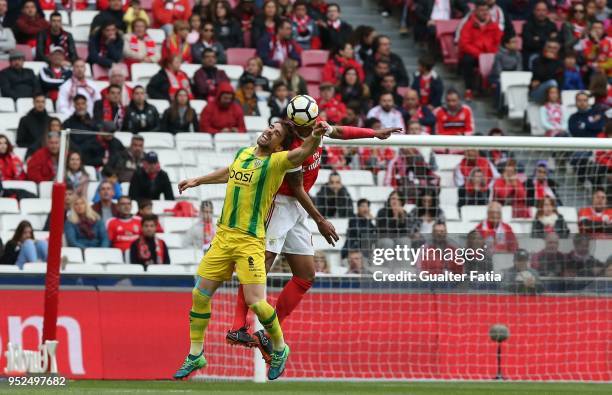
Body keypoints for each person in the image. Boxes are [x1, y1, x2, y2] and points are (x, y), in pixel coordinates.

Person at [224, 115, 396, 362]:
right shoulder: (293, 146)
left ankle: (270, 334)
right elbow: (296, 188)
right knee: (260, 265)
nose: (315, 125)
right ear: (298, 124)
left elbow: (340, 131)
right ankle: (238, 326)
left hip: (298, 211)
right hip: (280, 204)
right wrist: (320, 221)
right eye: (309, 123)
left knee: (305, 275)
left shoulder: (318, 127)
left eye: (315, 120)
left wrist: (373, 132)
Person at [172, 121, 326, 380]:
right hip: (223, 238)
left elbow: (301, 153)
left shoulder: (278, 162)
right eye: (270, 127)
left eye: (276, 133)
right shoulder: (244, 153)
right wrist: (198, 180)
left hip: (250, 241)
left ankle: (280, 347)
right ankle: (195, 354)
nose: (269, 132)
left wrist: (316, 136)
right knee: (199, 293)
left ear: (280, 145)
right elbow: (230, 173)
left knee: (257, 302)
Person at [457, 0, 503, 97]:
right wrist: (479, 54)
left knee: (501, 58)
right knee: (467, 60)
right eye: (481, 10)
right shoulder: (468, 25)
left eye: (486, 10)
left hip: (490, 54)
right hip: (475, 55)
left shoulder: (494, 25)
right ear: (476, 12)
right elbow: (464, 44)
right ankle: (469, 89)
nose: (484, 13)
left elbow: (498, 41)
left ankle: (495, 88)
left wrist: (491, 53)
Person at [521, 1, 558, 70]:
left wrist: (538, 39)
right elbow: (528, 44)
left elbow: (556, 42)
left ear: (547, 12)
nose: (541, 13)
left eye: (544, 10)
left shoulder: (552, 25)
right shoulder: (527, 25)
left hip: (550, 53)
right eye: (538, 10)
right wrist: (547, 39)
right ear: (534, 11)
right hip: (533, 53)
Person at [528, 40, 564, 104]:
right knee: (552, 82)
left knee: (554, 84)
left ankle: (553, 106)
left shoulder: (560, 63)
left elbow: (560, 81)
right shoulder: (537, 61)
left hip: (553, 92)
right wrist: (549, 61)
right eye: (549, 47)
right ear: (545, 48)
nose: (551, 50)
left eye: (554, 48)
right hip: (536, 92)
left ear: (558, 50)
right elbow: (541, 76)